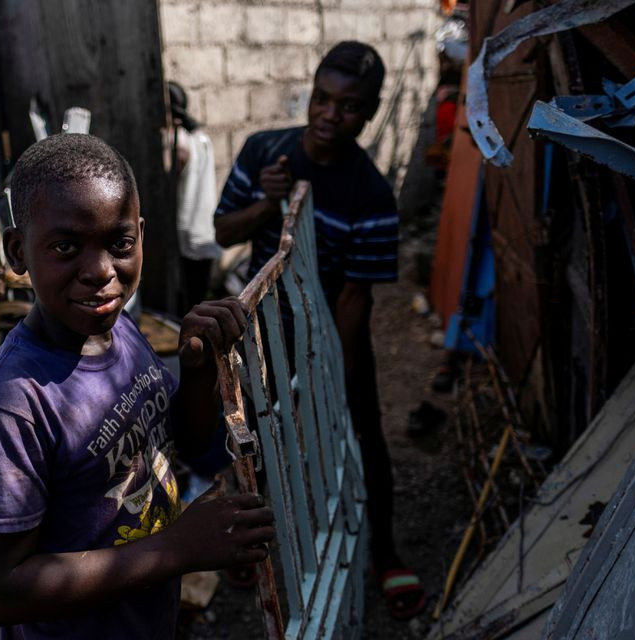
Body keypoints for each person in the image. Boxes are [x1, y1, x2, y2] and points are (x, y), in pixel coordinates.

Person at [0, 133, 274, 639]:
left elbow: (182, 447)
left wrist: (196, 373)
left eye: (119, 244)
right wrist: (178, 549)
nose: (101, 272)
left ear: (141, 236)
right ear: (17, 251)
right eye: (65, 247)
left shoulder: (118, 329)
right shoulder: (12, 404)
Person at [213, 41, 426, 620]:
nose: (331, 116)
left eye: (350, 106)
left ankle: (384, 551)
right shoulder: (266, 151)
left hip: (333, 328)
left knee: (363, 433)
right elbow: (224, 229)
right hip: (263, 331)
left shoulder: (373, 194)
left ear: (371, 110)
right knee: (250, 435)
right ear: (310, 94)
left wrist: (336, 371)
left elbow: (357, 297)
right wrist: (268, 204)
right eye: (322, 99)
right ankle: (243, 540)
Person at [167, 81, 222, 309]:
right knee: (199, 297)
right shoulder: (201, 137)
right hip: (205, 229)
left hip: (187, 234)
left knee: (187, 305)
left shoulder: (177, 143)